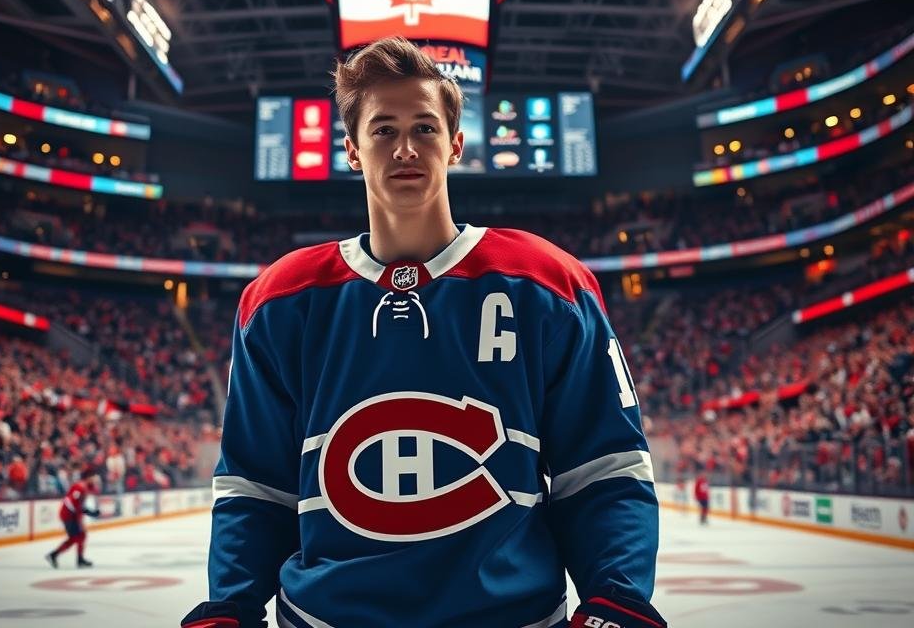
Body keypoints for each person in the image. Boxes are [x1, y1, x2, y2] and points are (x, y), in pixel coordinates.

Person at [183, 38, 664, 628]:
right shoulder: (280, 301)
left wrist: (616, 598)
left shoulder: (548, 284)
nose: (405, 147)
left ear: (456, 144)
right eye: (382, 130)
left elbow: (604, 470)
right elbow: (255, 488)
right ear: (353, 151)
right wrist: (229, 605)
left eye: (425, 128)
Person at [45, 469, 101, 568]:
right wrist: (88, 512)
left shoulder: (87, 486)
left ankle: (79, 559)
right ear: (88, 478)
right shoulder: (80, 487)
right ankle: (54, 555)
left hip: (75, 515)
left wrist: (88, 512)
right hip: (69, 515)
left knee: (81, 536)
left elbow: (95, 491)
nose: (95, 479)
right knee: (75, 537)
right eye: (93, 477)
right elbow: (71, 502)